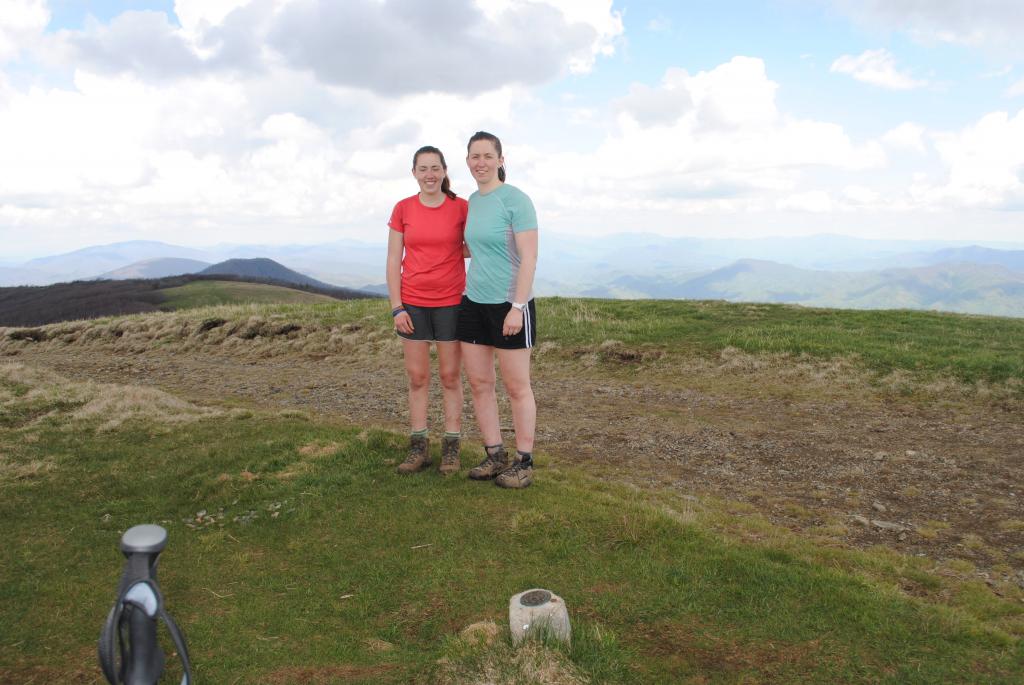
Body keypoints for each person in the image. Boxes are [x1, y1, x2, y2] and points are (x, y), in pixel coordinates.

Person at [458, 131, 539, 489]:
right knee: (479, 383)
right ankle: (495, 455)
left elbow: (529, 257)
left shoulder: (516, 200)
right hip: (473, 302)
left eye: (487, 156)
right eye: (475, 156)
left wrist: (516, 307)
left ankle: (524, 462)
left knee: (517, 386)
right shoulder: (472, 202)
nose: (481, 162)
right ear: (467, 162)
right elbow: (471, 248)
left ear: (501, 160)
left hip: (510, 304)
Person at [386, 146, 469, 475]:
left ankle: (451, 447)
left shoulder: (461, 207)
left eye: (436, 168)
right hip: (413, 304)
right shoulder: (403, 208)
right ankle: (419, 447)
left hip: (451, 301)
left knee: (450, 377)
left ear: (445, 171)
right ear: (414, 173)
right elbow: (394, 260)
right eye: (423, 169)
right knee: (418, 378)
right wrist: (396, 308)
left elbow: (473, 244)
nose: (430, 174)